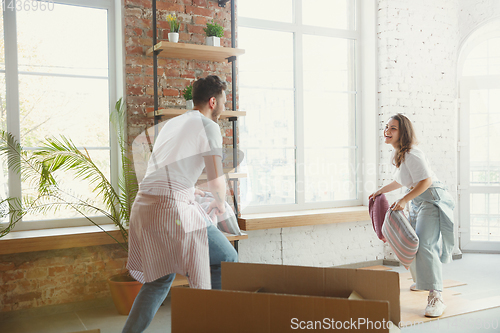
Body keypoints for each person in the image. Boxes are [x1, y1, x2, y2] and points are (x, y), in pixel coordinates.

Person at [122, 75, 238, 333]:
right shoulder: (209, 127)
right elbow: (217, 182)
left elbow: (167, 172)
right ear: (212, 101)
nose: (224, 106)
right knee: (226, 259)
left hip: (144, 207)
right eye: (223, 101)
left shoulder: (173, 125)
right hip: (170, 209)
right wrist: (221, 206)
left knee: (159, 280)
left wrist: (194, 191)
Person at [369, 113, 455, 318]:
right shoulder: (398, 153)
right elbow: (403, 181)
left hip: (432, 199)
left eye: (393, 128)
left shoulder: (412, 154)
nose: (387, 131)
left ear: (403, 132)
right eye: (386, 127)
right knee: (414, 244)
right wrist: (381, 190)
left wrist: (404, 200)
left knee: (425, 245)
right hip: (418, 200)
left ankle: (437, 296)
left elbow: (425, 181)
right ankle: (424, 282)